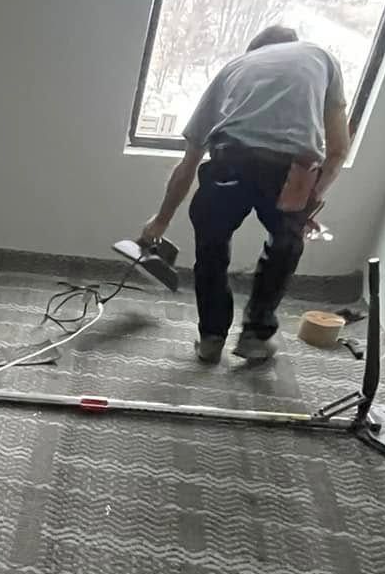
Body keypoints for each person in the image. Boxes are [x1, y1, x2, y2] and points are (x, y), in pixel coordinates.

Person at [138, 26, 349, 364]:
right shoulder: (320, 57)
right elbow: (338, 150)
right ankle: (255, 335)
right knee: (284, 244)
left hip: (229, 159)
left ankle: (211, 338)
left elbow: (188, 164)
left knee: (211, 248)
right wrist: (308, 203)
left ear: (255, 51)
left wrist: (159, 222)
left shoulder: (232, 69)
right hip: (293, 168)